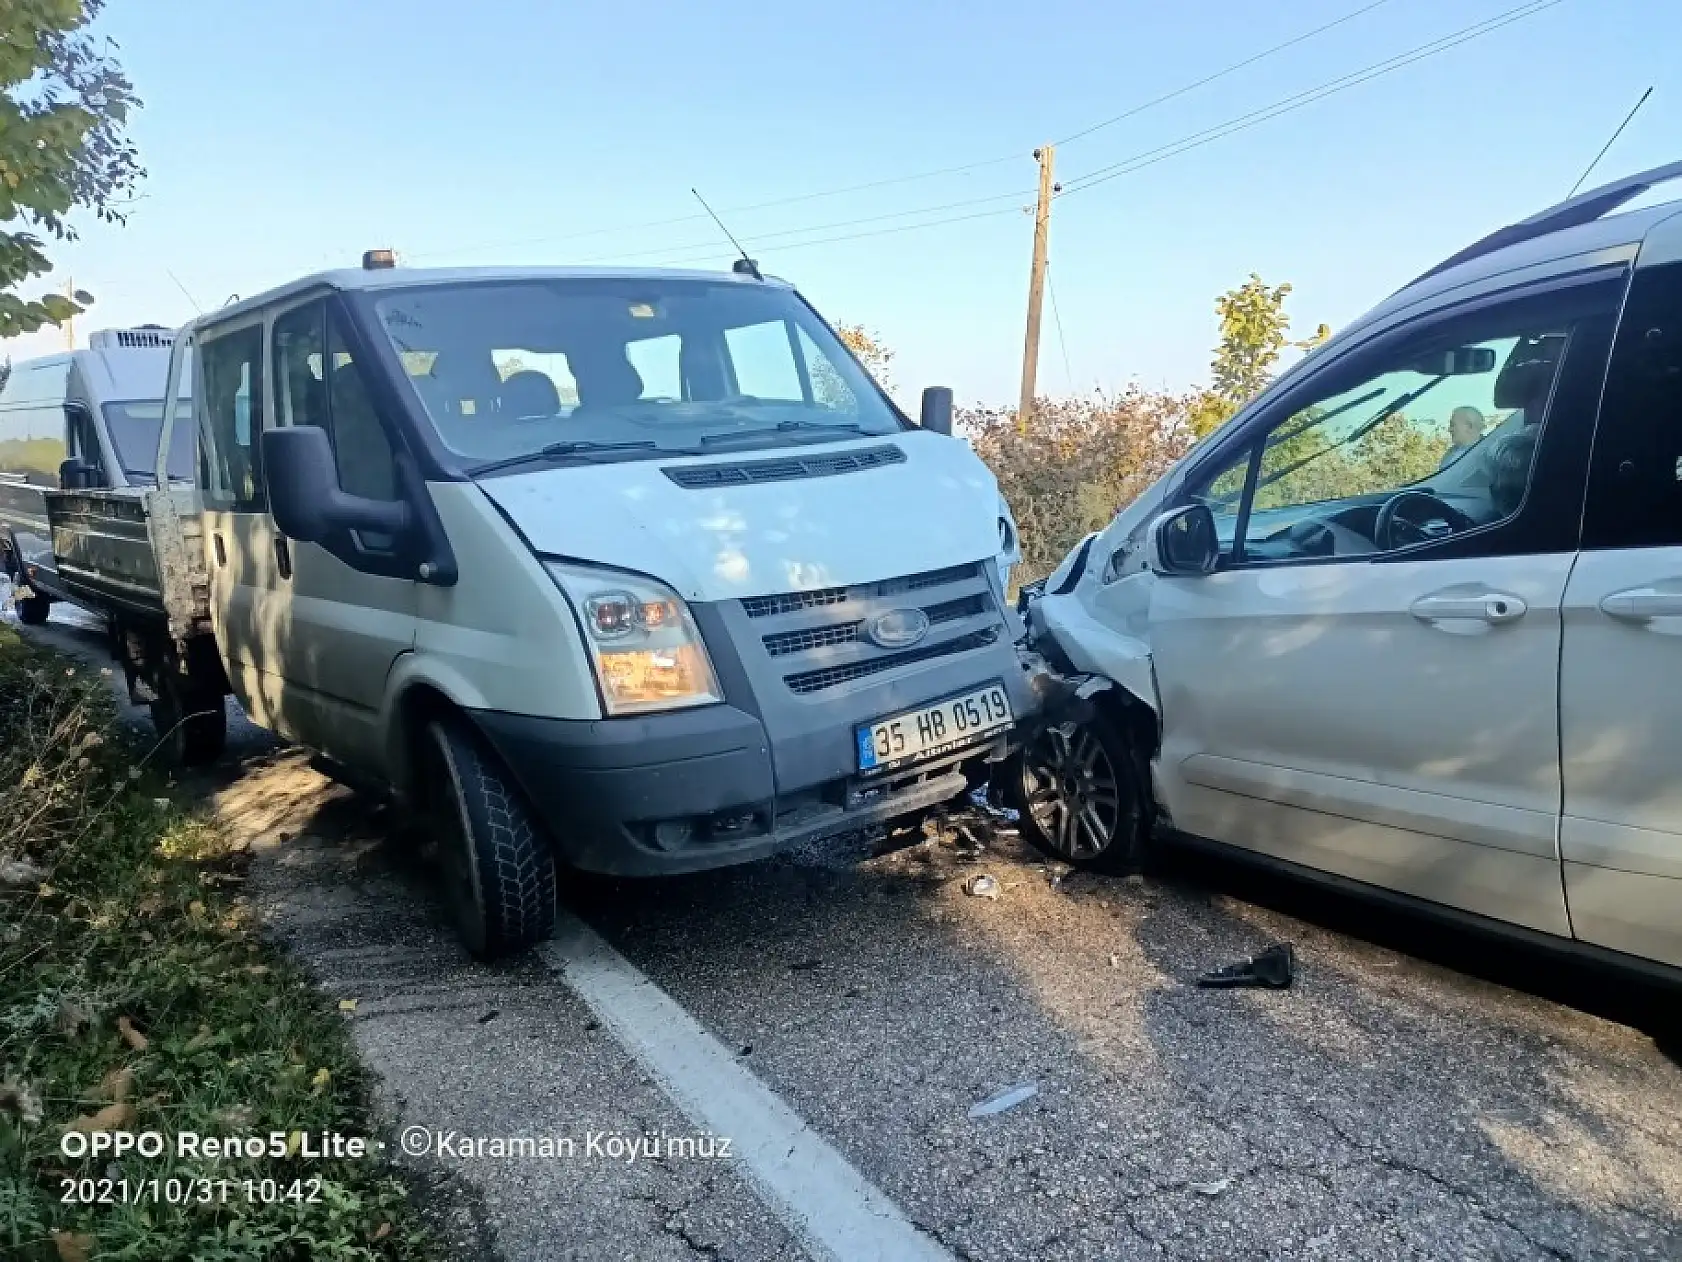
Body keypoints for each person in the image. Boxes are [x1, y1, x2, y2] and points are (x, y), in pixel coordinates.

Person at [1438, 405, 1486, 470]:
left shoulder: (1488, 453)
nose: (1449, 429)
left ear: (1469, 426)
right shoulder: (1449, 453)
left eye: (1453, 425)